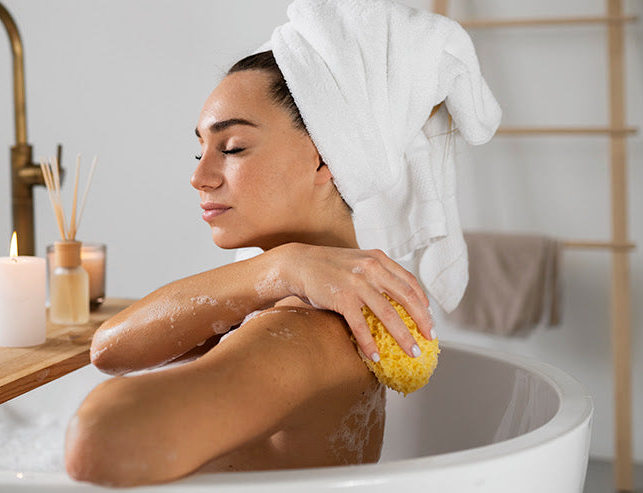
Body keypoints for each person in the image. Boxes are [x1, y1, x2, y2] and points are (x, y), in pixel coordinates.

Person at [63, 50, 435, 487]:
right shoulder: (289, 305)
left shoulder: (300, 334)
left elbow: (101, 438)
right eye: (198, 150)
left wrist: (280, 267)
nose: (199, 176)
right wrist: (279, 268)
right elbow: (108, 351)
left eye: (232, 147)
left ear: (322, 159)